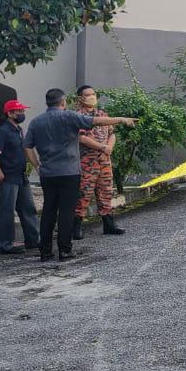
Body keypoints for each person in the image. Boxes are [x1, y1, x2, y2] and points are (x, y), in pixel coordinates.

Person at [23, 88, 134, 262]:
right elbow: (96, 121)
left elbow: (27, 146)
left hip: (48, 173)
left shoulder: (36, 122)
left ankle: (45, 251)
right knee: (66, 211)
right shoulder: (70, 117)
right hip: (69, 172)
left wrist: (37, 165)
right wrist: (121, 119)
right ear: (63, 102)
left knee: (49, 211)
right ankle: (64, 250)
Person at [0, 100, 39, 255]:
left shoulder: (19, 130)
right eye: (19, 111)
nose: (22, 114)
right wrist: (0, 175)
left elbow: (26, 150)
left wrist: (37, 166)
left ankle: (34, 240)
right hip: (9, 177)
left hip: (20, 176)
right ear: (9, 114)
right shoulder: (3, 132)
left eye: (23, 111)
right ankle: (6, 244)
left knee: (28, 209)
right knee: (7, 212)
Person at [73, 85, 124, 239]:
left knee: (106, 191)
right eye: (88, 95)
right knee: (84, 193)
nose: (92, 97)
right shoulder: (77, 116)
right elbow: (82, 138)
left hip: (104, 160)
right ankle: (76, 226)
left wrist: (108, 149)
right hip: (88, 161)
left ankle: (108, 223)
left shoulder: (102, 114)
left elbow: (112, 133)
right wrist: (102, 148)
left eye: (93, 94)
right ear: (80, 98)